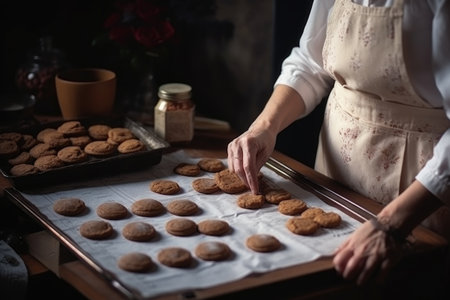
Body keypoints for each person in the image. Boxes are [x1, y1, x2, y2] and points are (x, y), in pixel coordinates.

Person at [227, 0, 450, 286]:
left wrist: (391, 225)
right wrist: (264, 127)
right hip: (334, 178)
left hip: (420, 197)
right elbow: (310, 63)